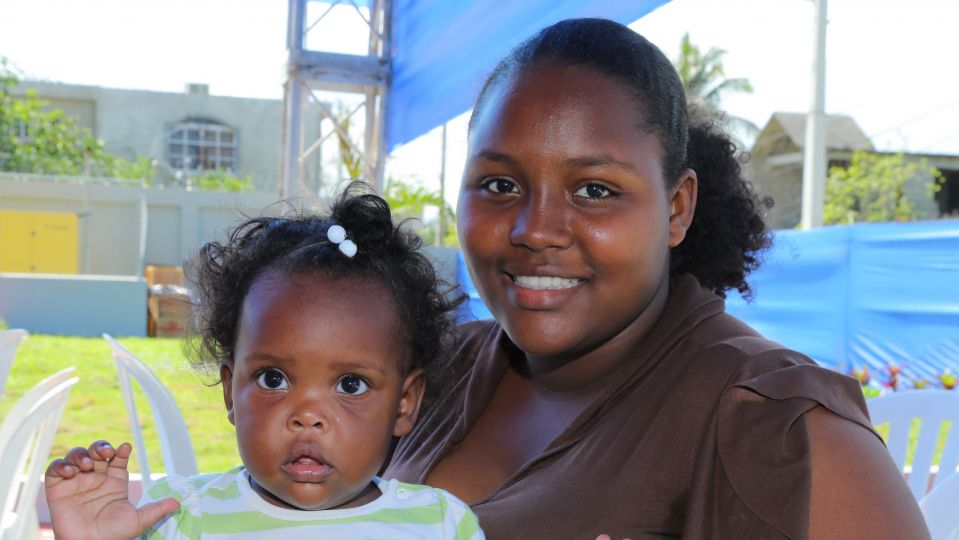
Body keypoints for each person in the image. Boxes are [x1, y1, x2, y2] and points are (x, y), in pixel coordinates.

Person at [385, 18, 929, 539]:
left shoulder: (776, 424)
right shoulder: (436, 372)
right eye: (500, 184)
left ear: (677, 208)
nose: (536, 230)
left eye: (594, 190)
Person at [44, 184, 484, 539]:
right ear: (232, 390)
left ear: (405, 403)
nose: (307, 416)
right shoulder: (181, 519)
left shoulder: (438, 525)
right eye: (274, 378)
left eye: (351, 384)